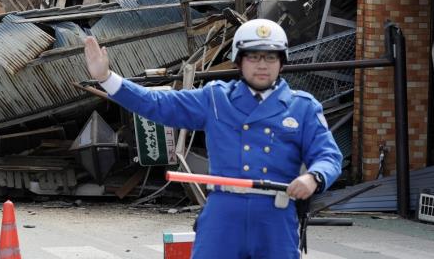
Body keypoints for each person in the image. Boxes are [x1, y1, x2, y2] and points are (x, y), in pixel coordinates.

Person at [83, 18, 342, 259]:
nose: (262, 64)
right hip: (223, 216)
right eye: (253, 56)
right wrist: (107, 79)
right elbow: (157, 103)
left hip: (275, 219)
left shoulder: (303, 107)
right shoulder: (216, 99)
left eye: (270, 57)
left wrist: (313, 177)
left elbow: (328, 156)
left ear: (281, 62)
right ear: (239, 61)